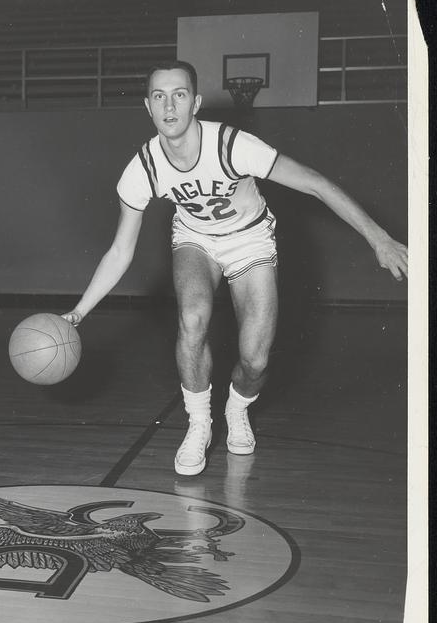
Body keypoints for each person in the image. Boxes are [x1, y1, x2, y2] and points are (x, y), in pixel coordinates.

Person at [63, 60, 408, 476]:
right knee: (192, 319)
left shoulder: (233, 145)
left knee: (255, 360)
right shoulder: (142, 169)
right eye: (159, 96)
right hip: (195, 240)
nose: (169, 106)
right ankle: (198, 423)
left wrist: (379, 239)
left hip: (250, 238)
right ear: (147, 107)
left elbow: (315, 182)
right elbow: (120, 251)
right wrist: (79, 311)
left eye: (179, 95)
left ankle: (238, 407)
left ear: (196, 103)